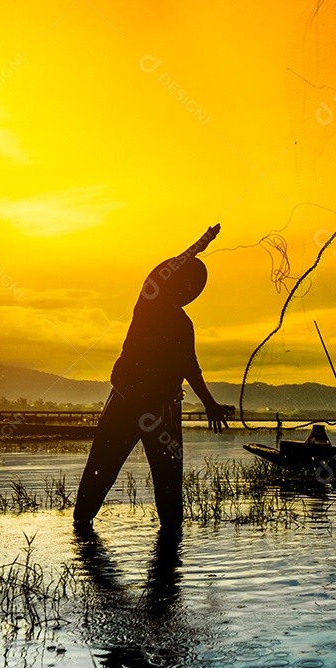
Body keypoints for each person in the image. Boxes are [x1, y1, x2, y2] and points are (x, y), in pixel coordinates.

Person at [73, 224, 229, 529]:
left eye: (194, 290)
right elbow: (162, 272)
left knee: (170, 489)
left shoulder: (185, 326)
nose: (189, 292)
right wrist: (196, 247)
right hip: (126, 403)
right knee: (100, 472)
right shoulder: (149, 302)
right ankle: (81, 530)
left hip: (165, 409)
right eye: (186, 284)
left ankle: (170, 550)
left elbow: (190, 368)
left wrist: (210, 404)